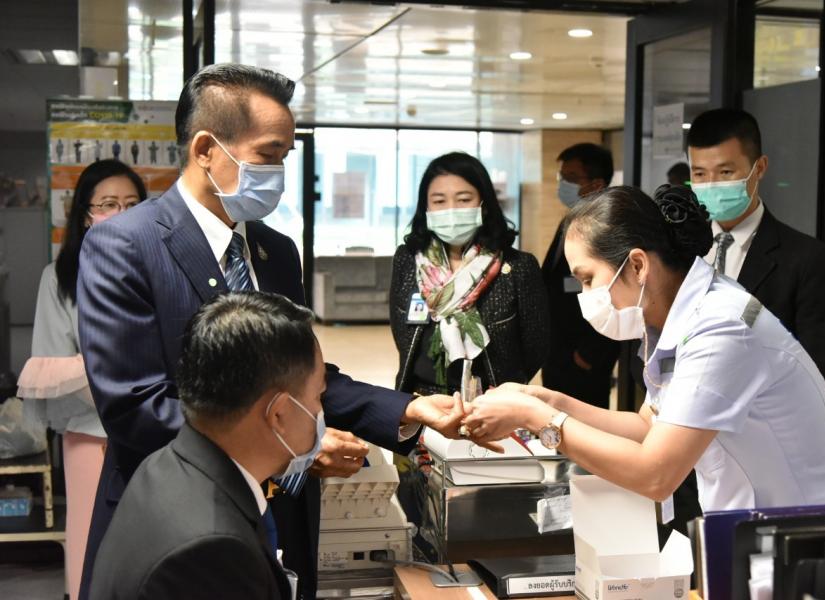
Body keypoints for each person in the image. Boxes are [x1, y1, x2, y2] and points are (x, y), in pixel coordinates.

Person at [76, 63, 466, 600]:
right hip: (181, 522)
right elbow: (135, 406)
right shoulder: (125, 246)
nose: (279, 172)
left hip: (281, 518)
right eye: (268, 154)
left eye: (285, 156)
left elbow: (304, 375)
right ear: (206, 149)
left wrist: (407, 409)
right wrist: (295, 452)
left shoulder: (274, 250)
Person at [463, 184, 825, 513]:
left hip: (806, 534)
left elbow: (655, 474)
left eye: (588, 279)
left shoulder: (720, 328)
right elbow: (647, 427)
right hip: (756, 531)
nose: (585, 295)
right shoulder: (675, 317)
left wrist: (537, 418)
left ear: (638, 266)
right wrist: (545, 400)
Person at [90, 292, 331, 600]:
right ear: (279, 414)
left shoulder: (164, 466)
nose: (319, 412)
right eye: (318, 396)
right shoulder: (213, 550)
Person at [16, 159, 146, 600]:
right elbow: (51, 370)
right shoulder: (59, 278)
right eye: (108, 204)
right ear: (85, 215)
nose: (121, 213)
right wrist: (120, 378)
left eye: (132, 204)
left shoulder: (157, 268)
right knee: (93, 543)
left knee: (149, 544)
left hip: (156, 433)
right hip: (92, 434)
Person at [687, 108, 825, 438]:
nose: (711, 185)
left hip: (766, 441)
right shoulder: (679, 252)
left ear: (759, 168)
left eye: (726, 172)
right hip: (682, 438)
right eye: (700, 174)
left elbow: (823, 374)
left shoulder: (808, 260)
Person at [389, 152, 549, 396]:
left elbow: (536, 346)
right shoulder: (408, 260)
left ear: (484, 205)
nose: (451, 210)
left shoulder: (519, 267)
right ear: (426, 208)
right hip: (421, 399)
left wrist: (504, 390)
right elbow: (401, 333)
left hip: (493, 401)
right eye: (439, 201)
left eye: (464, 199)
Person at [541, 143, 620, 408]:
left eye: (572, 178)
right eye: (562, 176)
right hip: (557, 352)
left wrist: (590, 354)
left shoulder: (607, 229)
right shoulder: (571, 221)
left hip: (585, 358)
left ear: (596, 184)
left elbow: (617, 294)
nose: (563, 184)